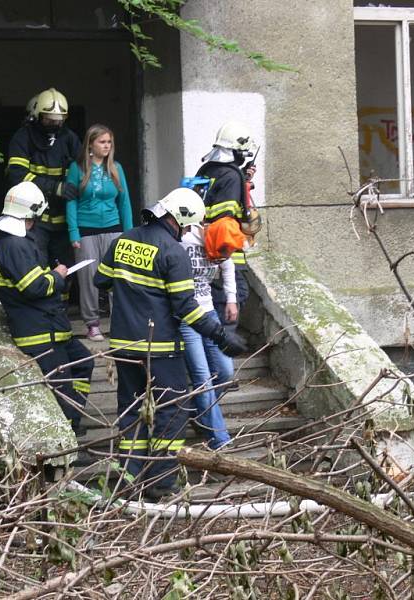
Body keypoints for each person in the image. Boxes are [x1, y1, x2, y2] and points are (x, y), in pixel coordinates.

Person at [94, 188, 246, 501]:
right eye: (190, 226)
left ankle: (128, 478)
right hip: (160, 347)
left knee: (131, 411)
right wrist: (220, 335)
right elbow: (187, 308)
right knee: (172, 412)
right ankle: (161, 483)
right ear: (180, 220)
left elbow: (100, 280)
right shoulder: (172, 252)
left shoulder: (122, 240)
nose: (189, 232)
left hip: (123, 345)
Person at [0, 181, 93, 435]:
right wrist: (57, 275)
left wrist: (52, 276)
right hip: (40, 334)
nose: (36, 222)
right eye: (35, 216)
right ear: (29, 213)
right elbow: (33, 287)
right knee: (61, 393)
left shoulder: (11, 240)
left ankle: (74, 424)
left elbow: (29, 279)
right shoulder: (14, 244)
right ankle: (68, 447)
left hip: (52, 329)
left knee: (83, 364)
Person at [64, 124, 133, 342]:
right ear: (90, 144)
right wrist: (73, 233)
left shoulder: (116, 168)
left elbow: (125, 202)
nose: (107, 146)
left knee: (116, 277)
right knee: (88, 278)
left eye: (109, 142)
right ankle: (92, 323)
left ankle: (119, 323)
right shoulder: (77, 168)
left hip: (113, 229)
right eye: (102, 142)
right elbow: (71, 201)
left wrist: (128, 233)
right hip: (86, 230)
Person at [6, 88, 81, 269]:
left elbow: (83, 169)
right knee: (37, 266)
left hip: (64, 221)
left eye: (59, 120)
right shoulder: (23, 138)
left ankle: (62, 298)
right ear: (37, 116)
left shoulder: (69, 138)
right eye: (49, 120)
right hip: (34, 220)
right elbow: (17, 175)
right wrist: (56, 188)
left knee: (66, 269)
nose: (54, 124)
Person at [195, 121, 258, 332]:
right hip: (224, 252)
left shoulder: (206, 169)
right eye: (243, 152)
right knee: (233, 298)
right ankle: (223, 352)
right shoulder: (232, 176)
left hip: (202, 248)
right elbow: (225, 218)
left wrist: (243, 180)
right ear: (236, 150)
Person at [179, 223, 236, 449]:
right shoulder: (183, 241)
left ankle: (195, 411)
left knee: (225, 371)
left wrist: (231, 298)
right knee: (202, 377)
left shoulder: (222, 241)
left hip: (209, 312)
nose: (220, 259)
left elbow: (229, 267)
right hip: (186, 317)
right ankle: (219, 439)